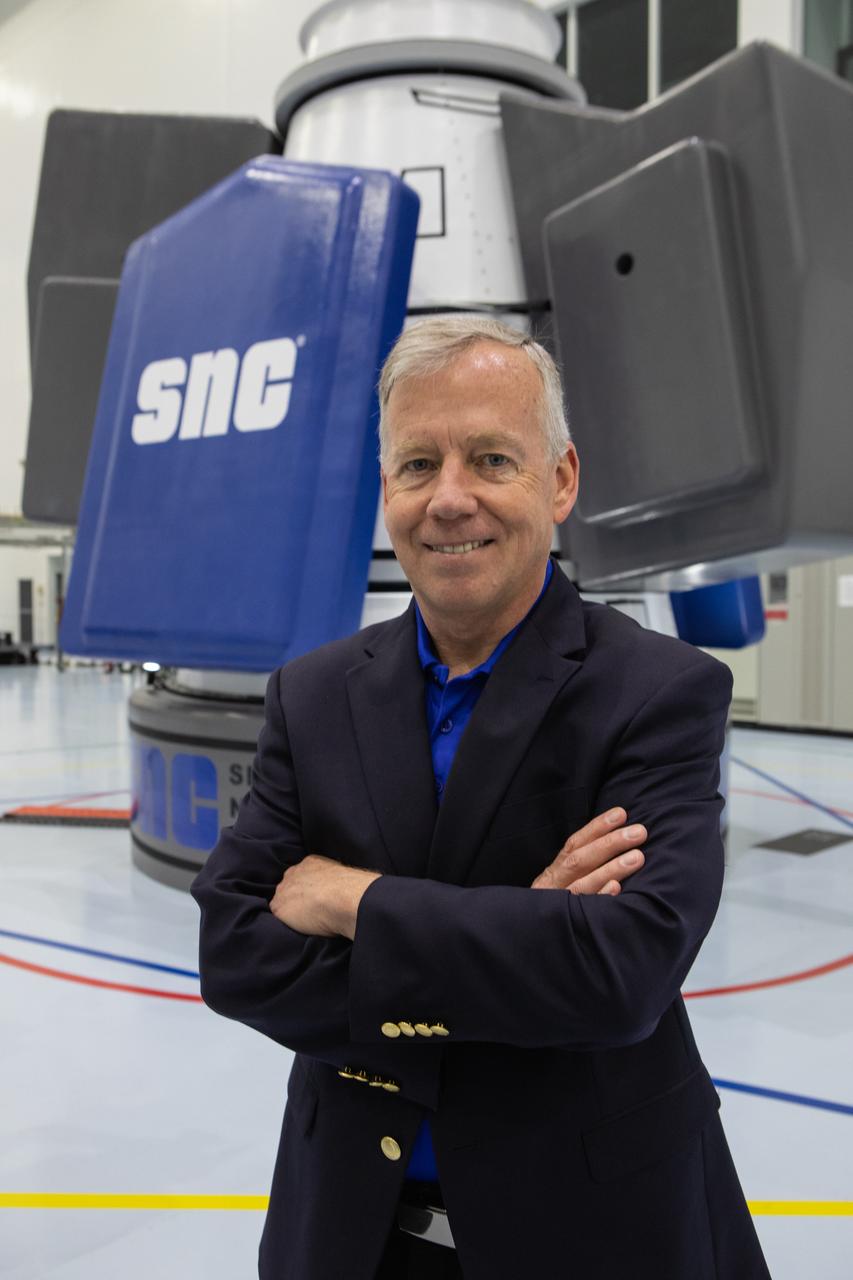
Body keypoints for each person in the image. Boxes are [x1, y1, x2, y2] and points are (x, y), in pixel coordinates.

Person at [191, 317, 770, 1280]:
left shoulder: (659, 692)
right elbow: (236, 955)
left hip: (588, 1231)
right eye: (417, 464)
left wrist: (356, 903)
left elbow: (621, 975)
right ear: (386, 491)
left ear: (561, 480)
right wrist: (524, 937)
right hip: (351, 1228)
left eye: (490, 458)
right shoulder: (314, 694)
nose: (448, 499)